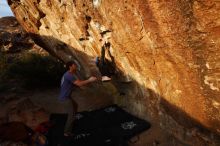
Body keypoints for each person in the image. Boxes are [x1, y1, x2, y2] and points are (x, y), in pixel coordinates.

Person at [58, 61, 97, 136]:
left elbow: (77, 83)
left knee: (75, 105)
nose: (76, 66)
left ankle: (72, 120)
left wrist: (82, 86)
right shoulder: (68, 75)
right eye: (74, 65)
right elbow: (79, 83)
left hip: (66, 96)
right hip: (65, 98)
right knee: (71, 114)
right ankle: (66, 132)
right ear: (70, 66)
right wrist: (89, 80)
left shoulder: (69, 74)